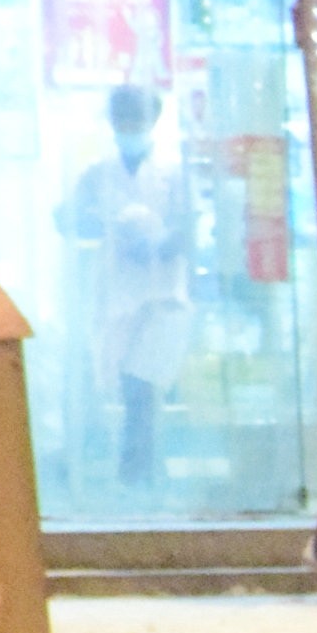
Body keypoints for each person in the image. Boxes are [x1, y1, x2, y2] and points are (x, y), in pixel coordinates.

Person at [56, 82, 191, 497]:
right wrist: (92, 223)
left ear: (153, 121)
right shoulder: (98, 173)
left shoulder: (172, 172)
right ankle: (144, 477)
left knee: (143, 387)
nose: (129, 128)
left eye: (137, 120)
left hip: (164, 294)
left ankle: (137, 479)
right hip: (117, 294)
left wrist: (156, 246)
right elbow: (65, 218)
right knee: (127, 389)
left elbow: (188, 228)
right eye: (123, 120)